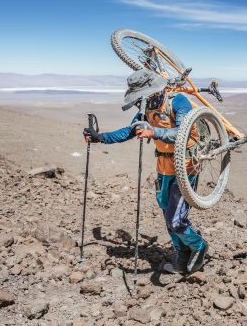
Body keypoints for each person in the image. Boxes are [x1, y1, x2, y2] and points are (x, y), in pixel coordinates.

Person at [83, 69, 208, 274]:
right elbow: (130, 131)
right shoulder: (147, 108)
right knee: (167, 211)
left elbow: (182, 131)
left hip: (186, 166)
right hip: (164, 166)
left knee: (176, 219)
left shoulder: (178, 102)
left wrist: (154, 131)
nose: (143, 101)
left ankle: (199, 246)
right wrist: (100, 137)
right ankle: (181, 254)